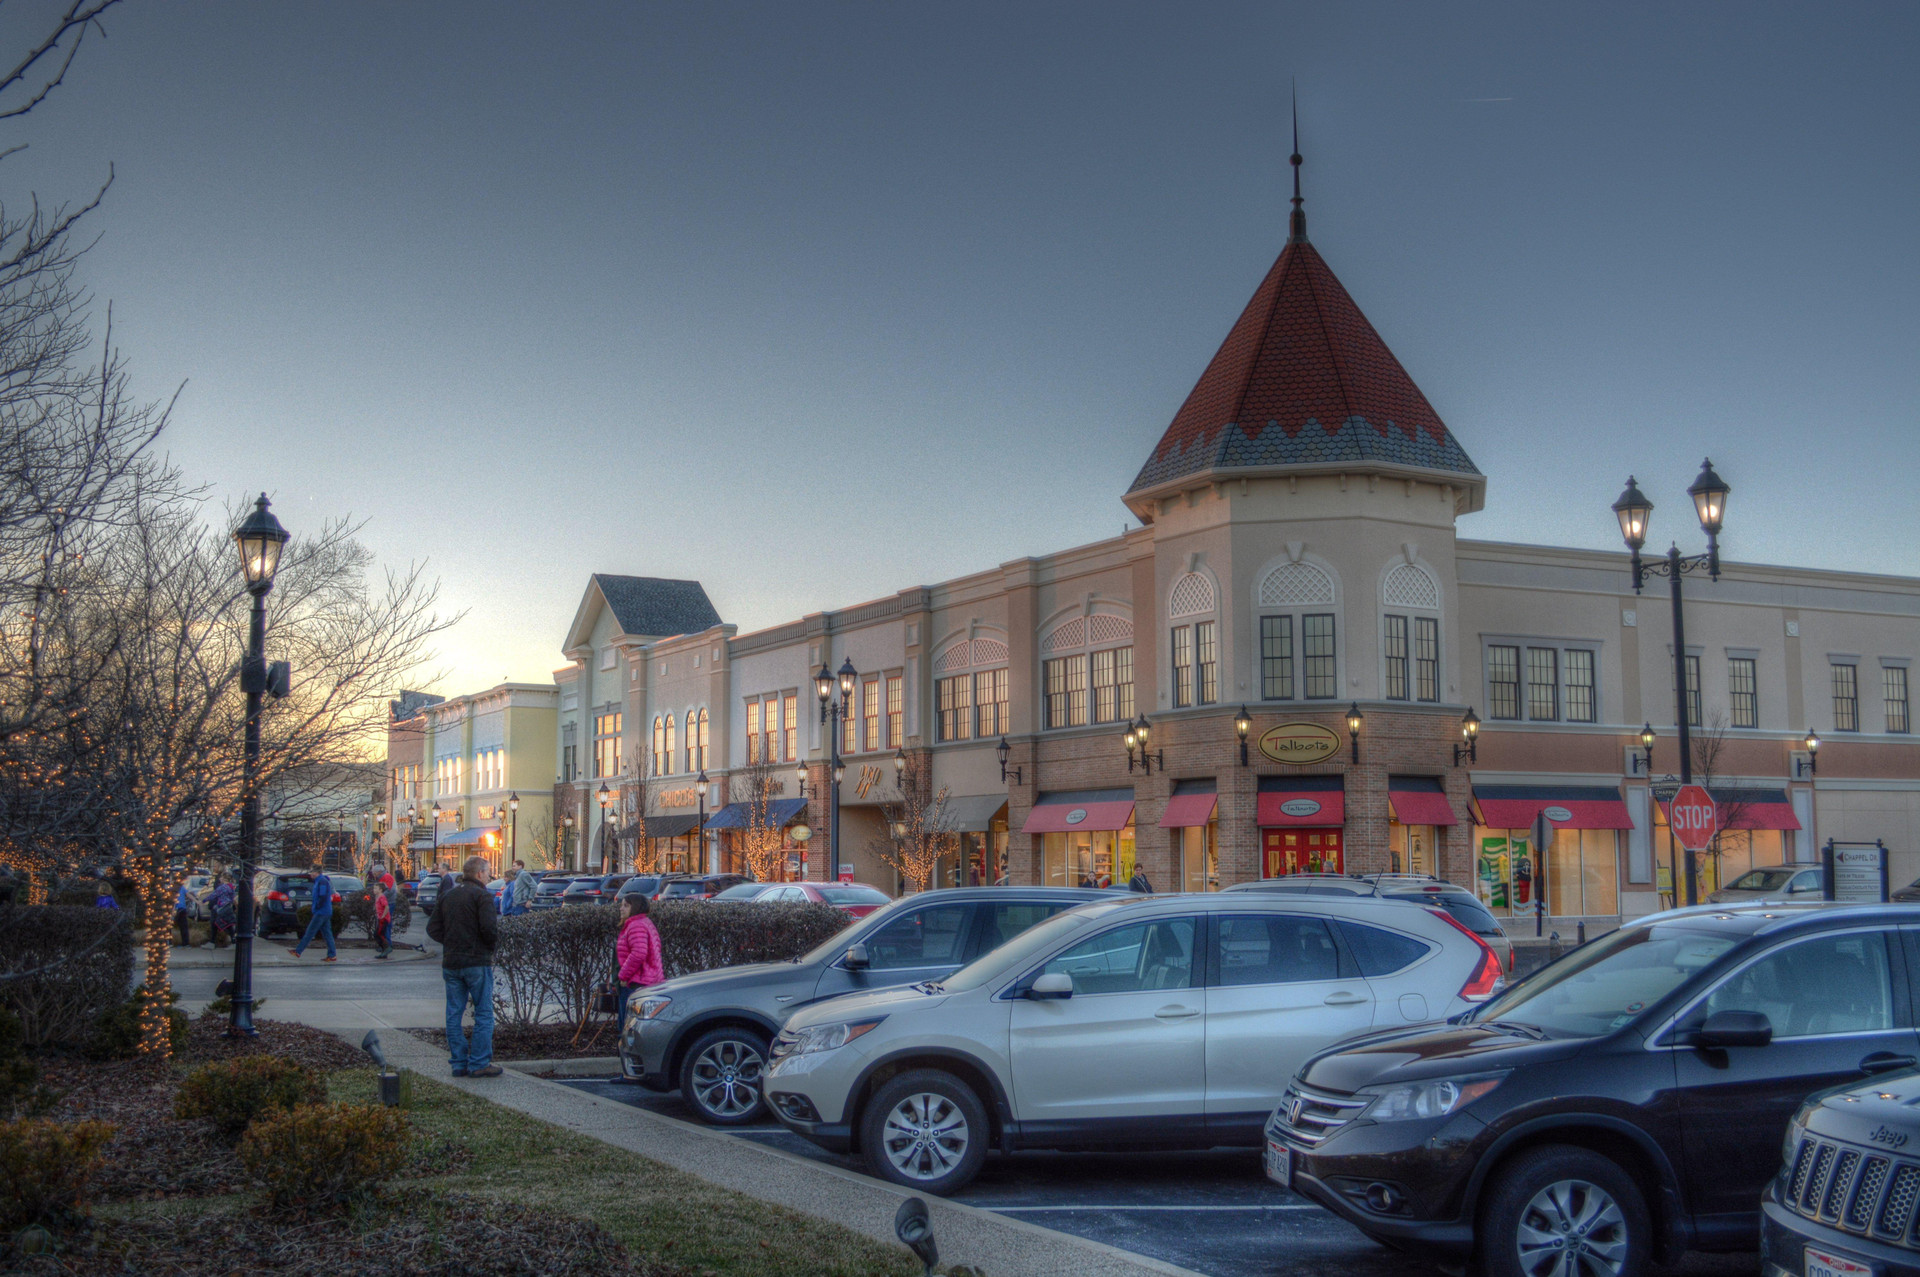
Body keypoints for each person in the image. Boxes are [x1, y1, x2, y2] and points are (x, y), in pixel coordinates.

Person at [426, 855, 501, 1078]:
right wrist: (487, 948)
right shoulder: (482, 896)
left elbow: (433, 928)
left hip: (451, 961)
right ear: (479, 874)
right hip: (477, 962)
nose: (489, 876)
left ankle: (458, 1062)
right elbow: (489, 929)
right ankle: (479, 1062)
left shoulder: (449, 895)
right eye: (487, 872)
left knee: (453, 1013)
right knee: (484, 1013)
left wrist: (451, 941)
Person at [614, 893, 664, 1037]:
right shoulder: (644, 923)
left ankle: (628, 1057)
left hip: (636, 983)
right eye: (621, 905)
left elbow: (639, 953)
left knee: (629, 1027)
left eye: (626, 905)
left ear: (635, 907)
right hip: (646, 980)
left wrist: (623, 976)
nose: (621, 909)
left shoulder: (636, 925)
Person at [289, 867, 337, 961]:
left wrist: (317, 906)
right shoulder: (320, 881)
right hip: (325, 911)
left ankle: (298, 951)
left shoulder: (322, 882)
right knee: (327, 934)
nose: (310, 873)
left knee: (310, 932)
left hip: (321, 912)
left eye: (312, 871)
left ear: (317, 872)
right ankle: (332, 955)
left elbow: (322, 896)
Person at [209, 873, 235, 948]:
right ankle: (212, 941)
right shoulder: (225, 886)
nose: (221, 879)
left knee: (225, 924)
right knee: (218, 924)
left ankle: (233, 941)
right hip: (221, 907)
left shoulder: (225, 886)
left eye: (222, 878)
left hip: (222, 908)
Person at [373, 872, 394, 959]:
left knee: (379, 934)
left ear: (381, 890)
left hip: (383, 919)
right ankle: (383, 951)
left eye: (376, 888)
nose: (374, 890)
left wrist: (383, 916)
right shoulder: (378, 897)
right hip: (380, 918)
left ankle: (387, 947)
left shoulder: (382, 897)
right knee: (377, 934)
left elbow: (386, 907)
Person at [174, 879, 195, 946]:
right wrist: (196, 901)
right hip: (182, 908)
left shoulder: (174, 889)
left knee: (174, 925)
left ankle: (170, 942)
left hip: (177, 909)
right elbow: (188, 895)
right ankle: (186, 943)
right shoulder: (182, 888)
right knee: (184, 927)